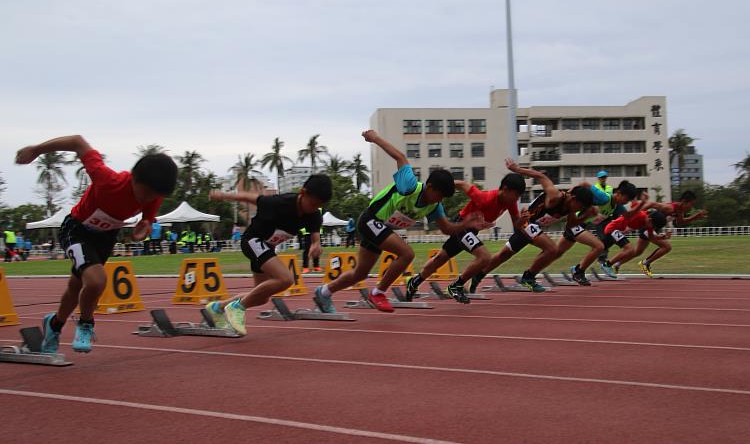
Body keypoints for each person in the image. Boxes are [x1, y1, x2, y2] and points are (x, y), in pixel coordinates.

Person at [15, 135, 177, 353]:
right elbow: (77, 142)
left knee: (76, 287)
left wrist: (144, 227)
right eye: (146, 193)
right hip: (76, 229)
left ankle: (54, 325)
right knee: (96, 281)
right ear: (134, 179)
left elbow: (146, 219)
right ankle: (86, 323)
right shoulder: (107, 179)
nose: (148, 199)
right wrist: (36, 149)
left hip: (105, 236)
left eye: (155, 196)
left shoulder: (153, 195)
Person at [314, 130, 490, 313]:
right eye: (439, 196)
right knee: (407, 253)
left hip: (379, 228)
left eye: (443, 199)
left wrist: (465, 225)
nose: (439, 201)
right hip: (370, 220)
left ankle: (324, 292)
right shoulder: (410, 186)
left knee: (360, 273)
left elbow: (447, 229)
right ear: (430, 187)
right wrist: (374, 138)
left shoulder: (434, 206)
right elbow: (400, 156)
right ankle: (378, 292)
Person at [205, 175, 332, 335]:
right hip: (253, 241)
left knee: (260, 296)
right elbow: (249, 197)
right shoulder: (279, 203)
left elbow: (315, 238)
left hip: (266, 248)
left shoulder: (313, 215)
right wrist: (223, 195)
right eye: (313, 203)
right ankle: (237, 307)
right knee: (286, 279)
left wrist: (316, 246)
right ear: (302, 192)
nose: (314, 208)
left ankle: (218, 307)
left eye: (319, 205)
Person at [406, 163, 525, 303]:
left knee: (441, 258)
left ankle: (414, 282)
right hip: (461, 225)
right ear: (505, 189)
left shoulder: (510, 203)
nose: (517, 199)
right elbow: (462, 184)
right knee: (485, 257)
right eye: (516, 195)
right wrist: (442, 187)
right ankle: (456, 285)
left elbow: (516, 225)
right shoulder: (484, 198)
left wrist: (522, 220)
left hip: (472, 230)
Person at [472, 163, 600, 290]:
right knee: (552, 249)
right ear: (573, 198)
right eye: (580, 207)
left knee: (504, 255)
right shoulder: (555, 196)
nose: (579, 210)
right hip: (526, 222)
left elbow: (570, 226)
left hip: (534, 228)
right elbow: (540, 176)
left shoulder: (570, 208)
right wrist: (517, 169)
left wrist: (586, 216)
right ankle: (528, 277)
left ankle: (478, 275)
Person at [601, 197, 669, 277]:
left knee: (633, 252)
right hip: (613, 228)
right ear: (650, 219)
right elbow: (635, 207)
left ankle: (609, 264)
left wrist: (662, 237)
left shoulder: (649, 225)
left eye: (654, 228)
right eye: (653, 226)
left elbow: (652, 237)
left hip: (618, 231)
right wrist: (642, 201)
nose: (652, 228)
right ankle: (607, 265)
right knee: (629, 249)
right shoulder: (640, 214)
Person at [589, 179, 639, 278]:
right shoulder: (606, 198)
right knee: (628, 249)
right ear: (619, 193)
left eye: (628, 201)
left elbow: (627, 216)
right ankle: (602, 264)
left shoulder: (618, 205)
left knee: (630, 250)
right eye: (626, 199)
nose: (626, 203)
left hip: (611, 229)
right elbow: (586, 186)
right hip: (607, 228)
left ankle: (586, 267)